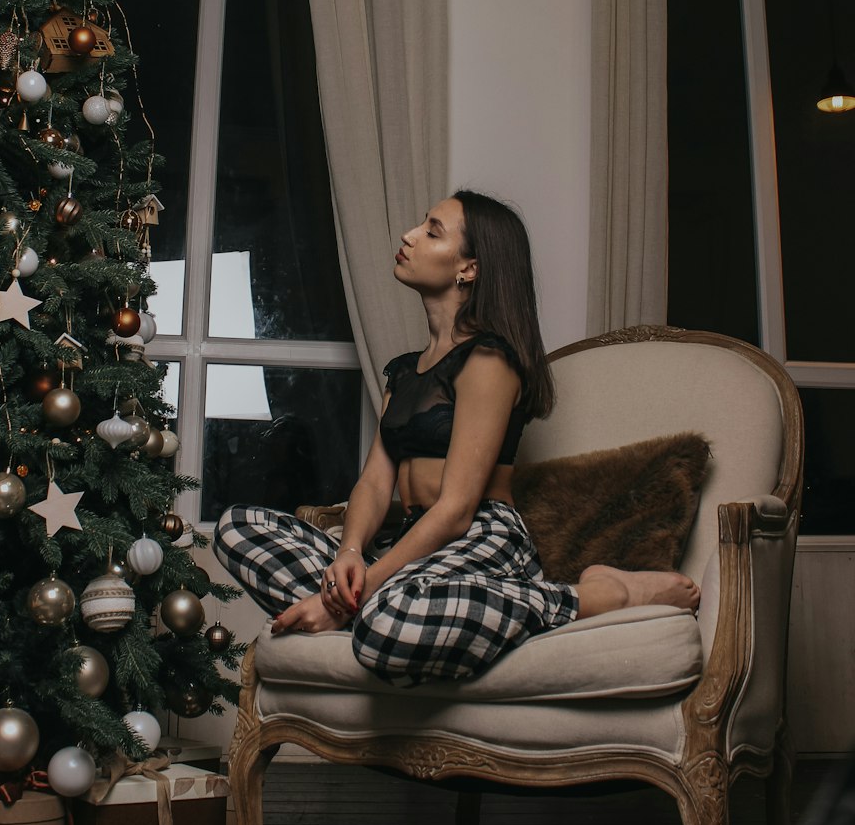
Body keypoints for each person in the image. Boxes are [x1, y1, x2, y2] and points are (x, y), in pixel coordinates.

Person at [214, 190, 700, 688]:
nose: (409, 236)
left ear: (468, 268)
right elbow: (375, 486)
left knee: (387, 622)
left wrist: (349, 597)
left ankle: (593, 595)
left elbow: (457, 509)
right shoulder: (403, 372)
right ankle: (379, 604)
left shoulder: (489, 359)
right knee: (237, 526)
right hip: (408, 542)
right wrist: (350, 556)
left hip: (481, 536)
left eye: (432, 231)